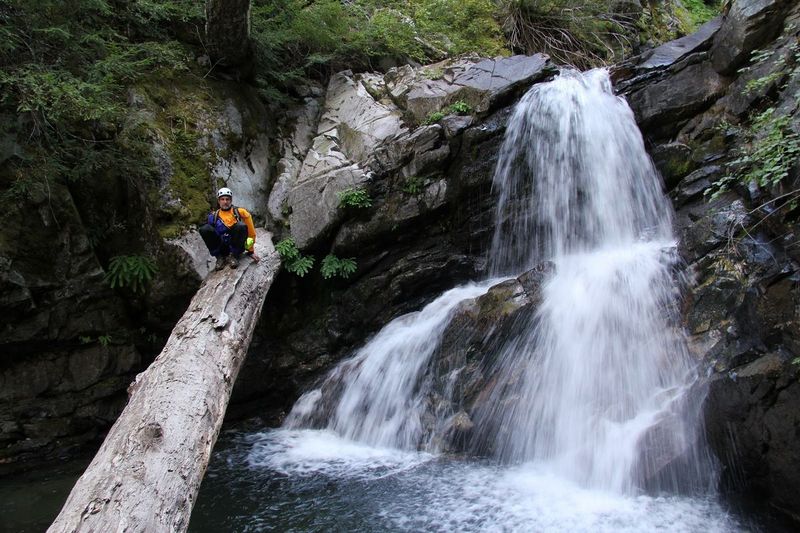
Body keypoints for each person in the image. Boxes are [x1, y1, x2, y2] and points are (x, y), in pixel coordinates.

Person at [199, 187, 260, 270]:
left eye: (227, 199)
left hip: (237, 246)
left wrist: (251, 251)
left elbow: (251, 233)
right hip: (222, 247)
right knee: (205, 229)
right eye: (222, 199)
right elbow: (212, 236)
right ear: (219, 201)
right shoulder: (214, 216)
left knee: (240, 226)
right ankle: (220, 257)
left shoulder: (240, 212)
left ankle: (233, 256)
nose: (225, 202)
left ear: (231, 200)